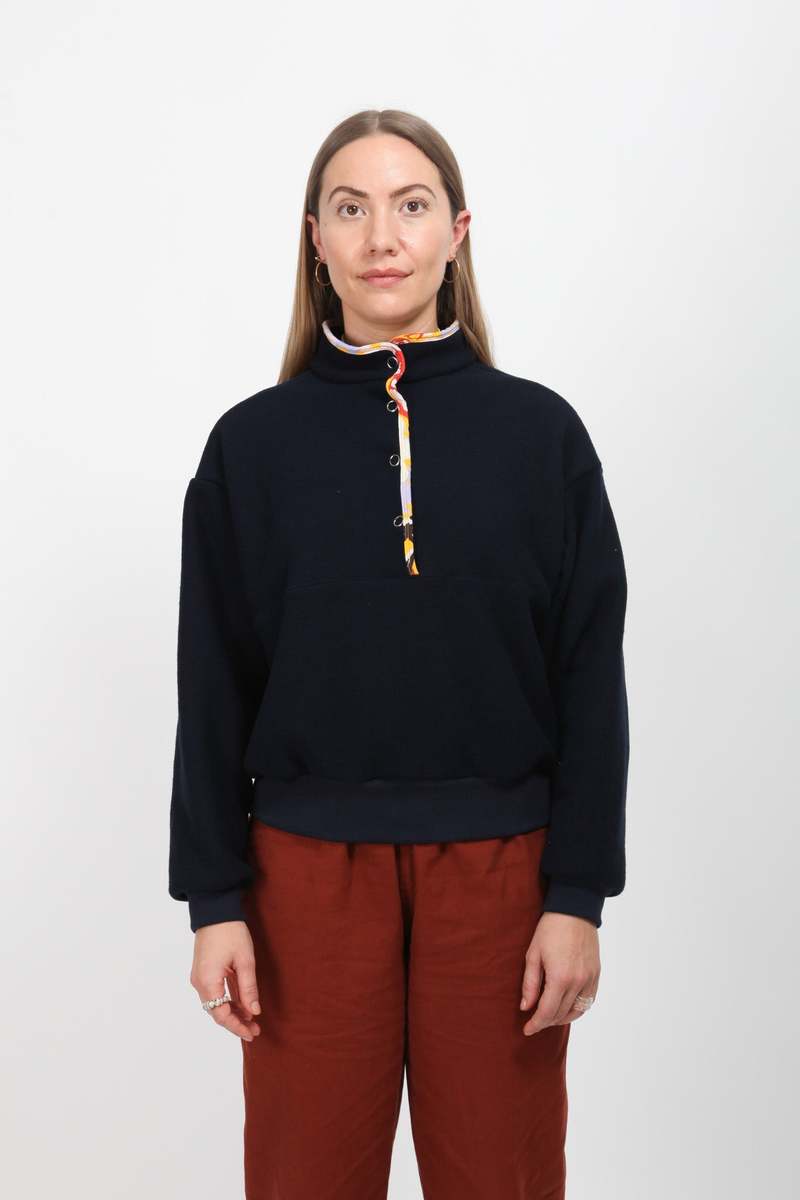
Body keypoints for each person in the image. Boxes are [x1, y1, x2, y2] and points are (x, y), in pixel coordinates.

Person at [168, 108, 629, 1200]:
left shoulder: (542, 437)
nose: (382, 236)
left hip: (502, 876)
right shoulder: (250, 447)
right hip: (304, 877)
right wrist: (215, 900)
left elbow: (588, 678)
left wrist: (577, 894)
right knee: (305, 1178)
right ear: (315, 240)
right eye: (351, 208)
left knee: (501, 1179)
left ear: (455, 232)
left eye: (411, 205)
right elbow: (212, 685)